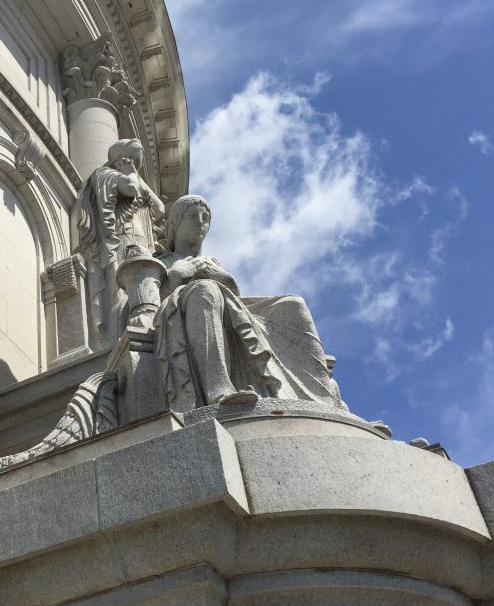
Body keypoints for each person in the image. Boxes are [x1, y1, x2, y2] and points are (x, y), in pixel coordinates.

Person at [154, 195, 337, 411]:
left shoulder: (213, 262)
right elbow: (154, 303)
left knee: (294, 305)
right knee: (205, 290)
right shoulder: (163, 261)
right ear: (175, 223)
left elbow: (234, 298)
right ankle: (219, 390)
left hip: (232, 313)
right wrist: (178, 276)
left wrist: (221, 277)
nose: (201, 223)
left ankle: (325, 400)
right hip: (188, 311)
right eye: (193, 216)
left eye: (205, 218)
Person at [75, 139, 166, 346]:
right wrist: (132, 174)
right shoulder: (105, 175)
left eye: (137, 163)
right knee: (122, 283)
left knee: (145, 283)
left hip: (141, 238)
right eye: (132, 161)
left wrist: (136, 174)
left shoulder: (132, 177)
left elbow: (160, 208)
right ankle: (123, 332)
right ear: (120, 160)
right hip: (120, 237)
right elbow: (130, 188)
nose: (135, 166)